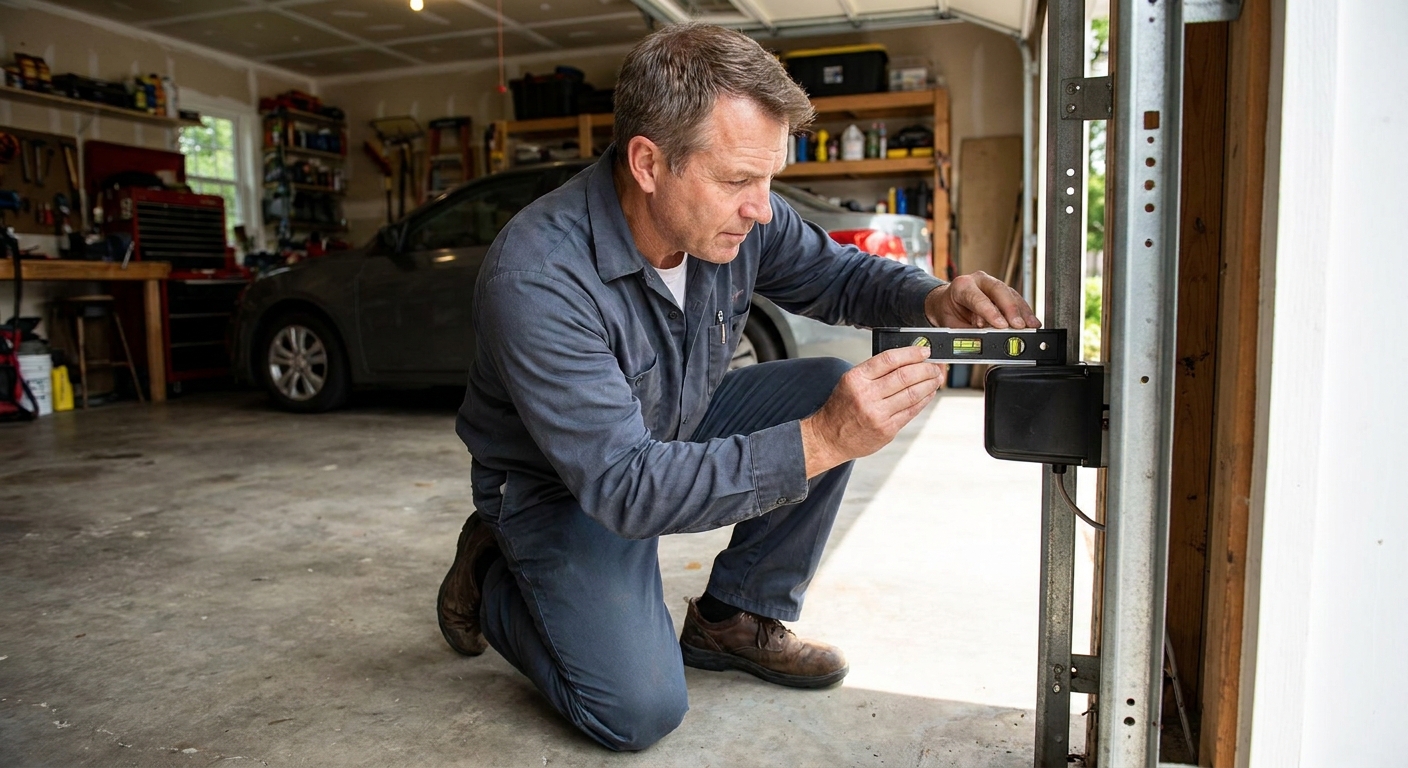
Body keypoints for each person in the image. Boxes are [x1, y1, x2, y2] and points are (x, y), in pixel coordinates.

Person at [438, 22, 1040, 752]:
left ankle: (732, 618)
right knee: (638, 712)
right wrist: (823, 441)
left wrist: (932, 298)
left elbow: (839, 275)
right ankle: (495, 575)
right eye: (737, 181)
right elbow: (625, 487)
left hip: (670, 422)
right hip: (561, 486)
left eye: (768, 180)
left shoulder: (740, 218)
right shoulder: (539, 276)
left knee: (820, 383)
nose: (761, 208)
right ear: (649, 162)